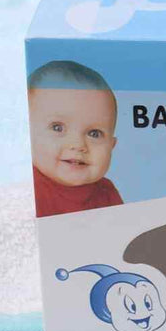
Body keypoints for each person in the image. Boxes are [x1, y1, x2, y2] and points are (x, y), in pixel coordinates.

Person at [27, 60, 124, 217]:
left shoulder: (107, 193)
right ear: (26, 134)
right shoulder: (28, 191)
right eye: (57, 128)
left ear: (111, 146)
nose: (78, 144)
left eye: (94, 133)